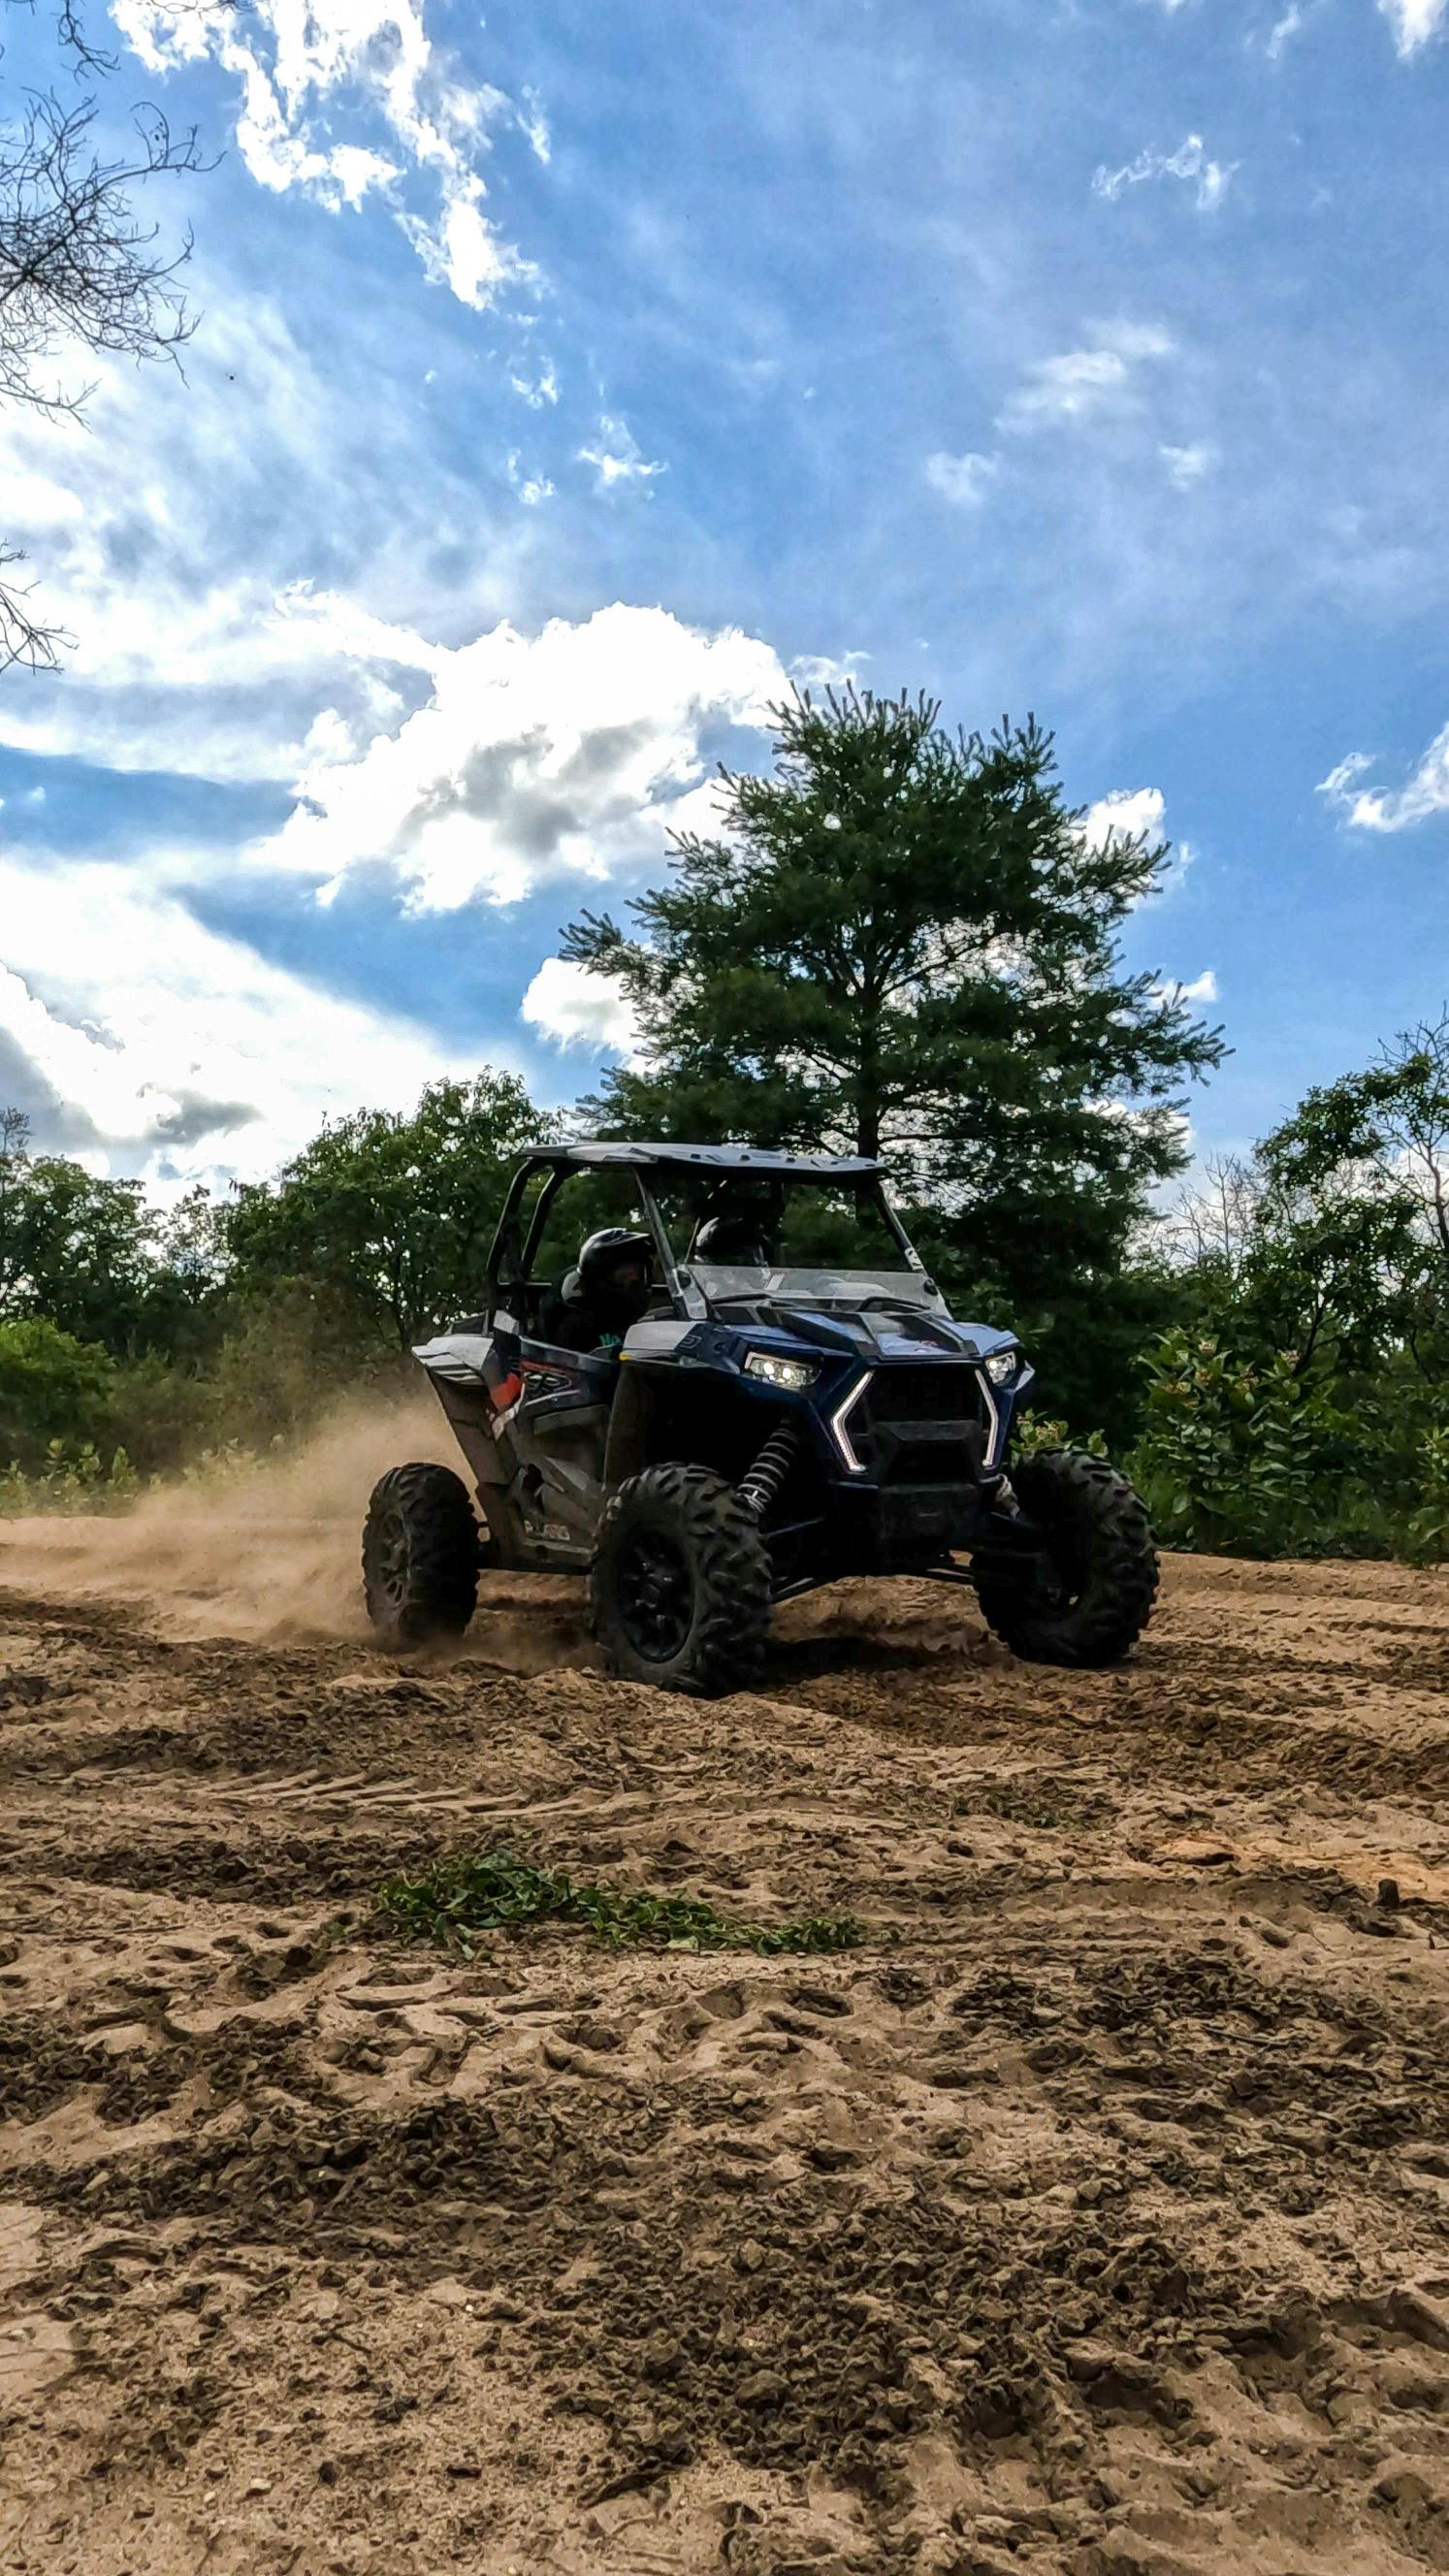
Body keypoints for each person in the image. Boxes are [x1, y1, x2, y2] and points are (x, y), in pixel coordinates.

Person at [543, 1228, 655, 1354]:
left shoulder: (637, 1325)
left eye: (639, 1276)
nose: (634, 1284)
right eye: (623, 1277)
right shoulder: (576, 1329)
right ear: (597, 1279)